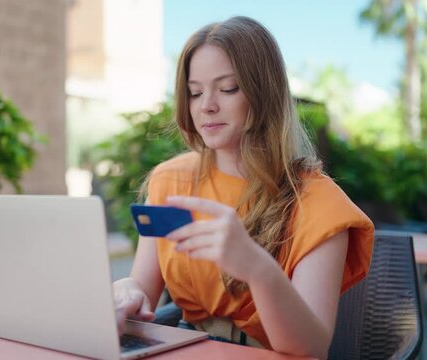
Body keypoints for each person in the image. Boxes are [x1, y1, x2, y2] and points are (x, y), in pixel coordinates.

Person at [112, 16, 374, 359]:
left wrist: (256, 267)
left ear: (263, 93)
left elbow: (310, 348)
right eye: (195, 92)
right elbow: (143, 295)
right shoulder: (170, 180)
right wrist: (126, 291)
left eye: (228, 88)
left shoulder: (318, 203)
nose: (206, 105)